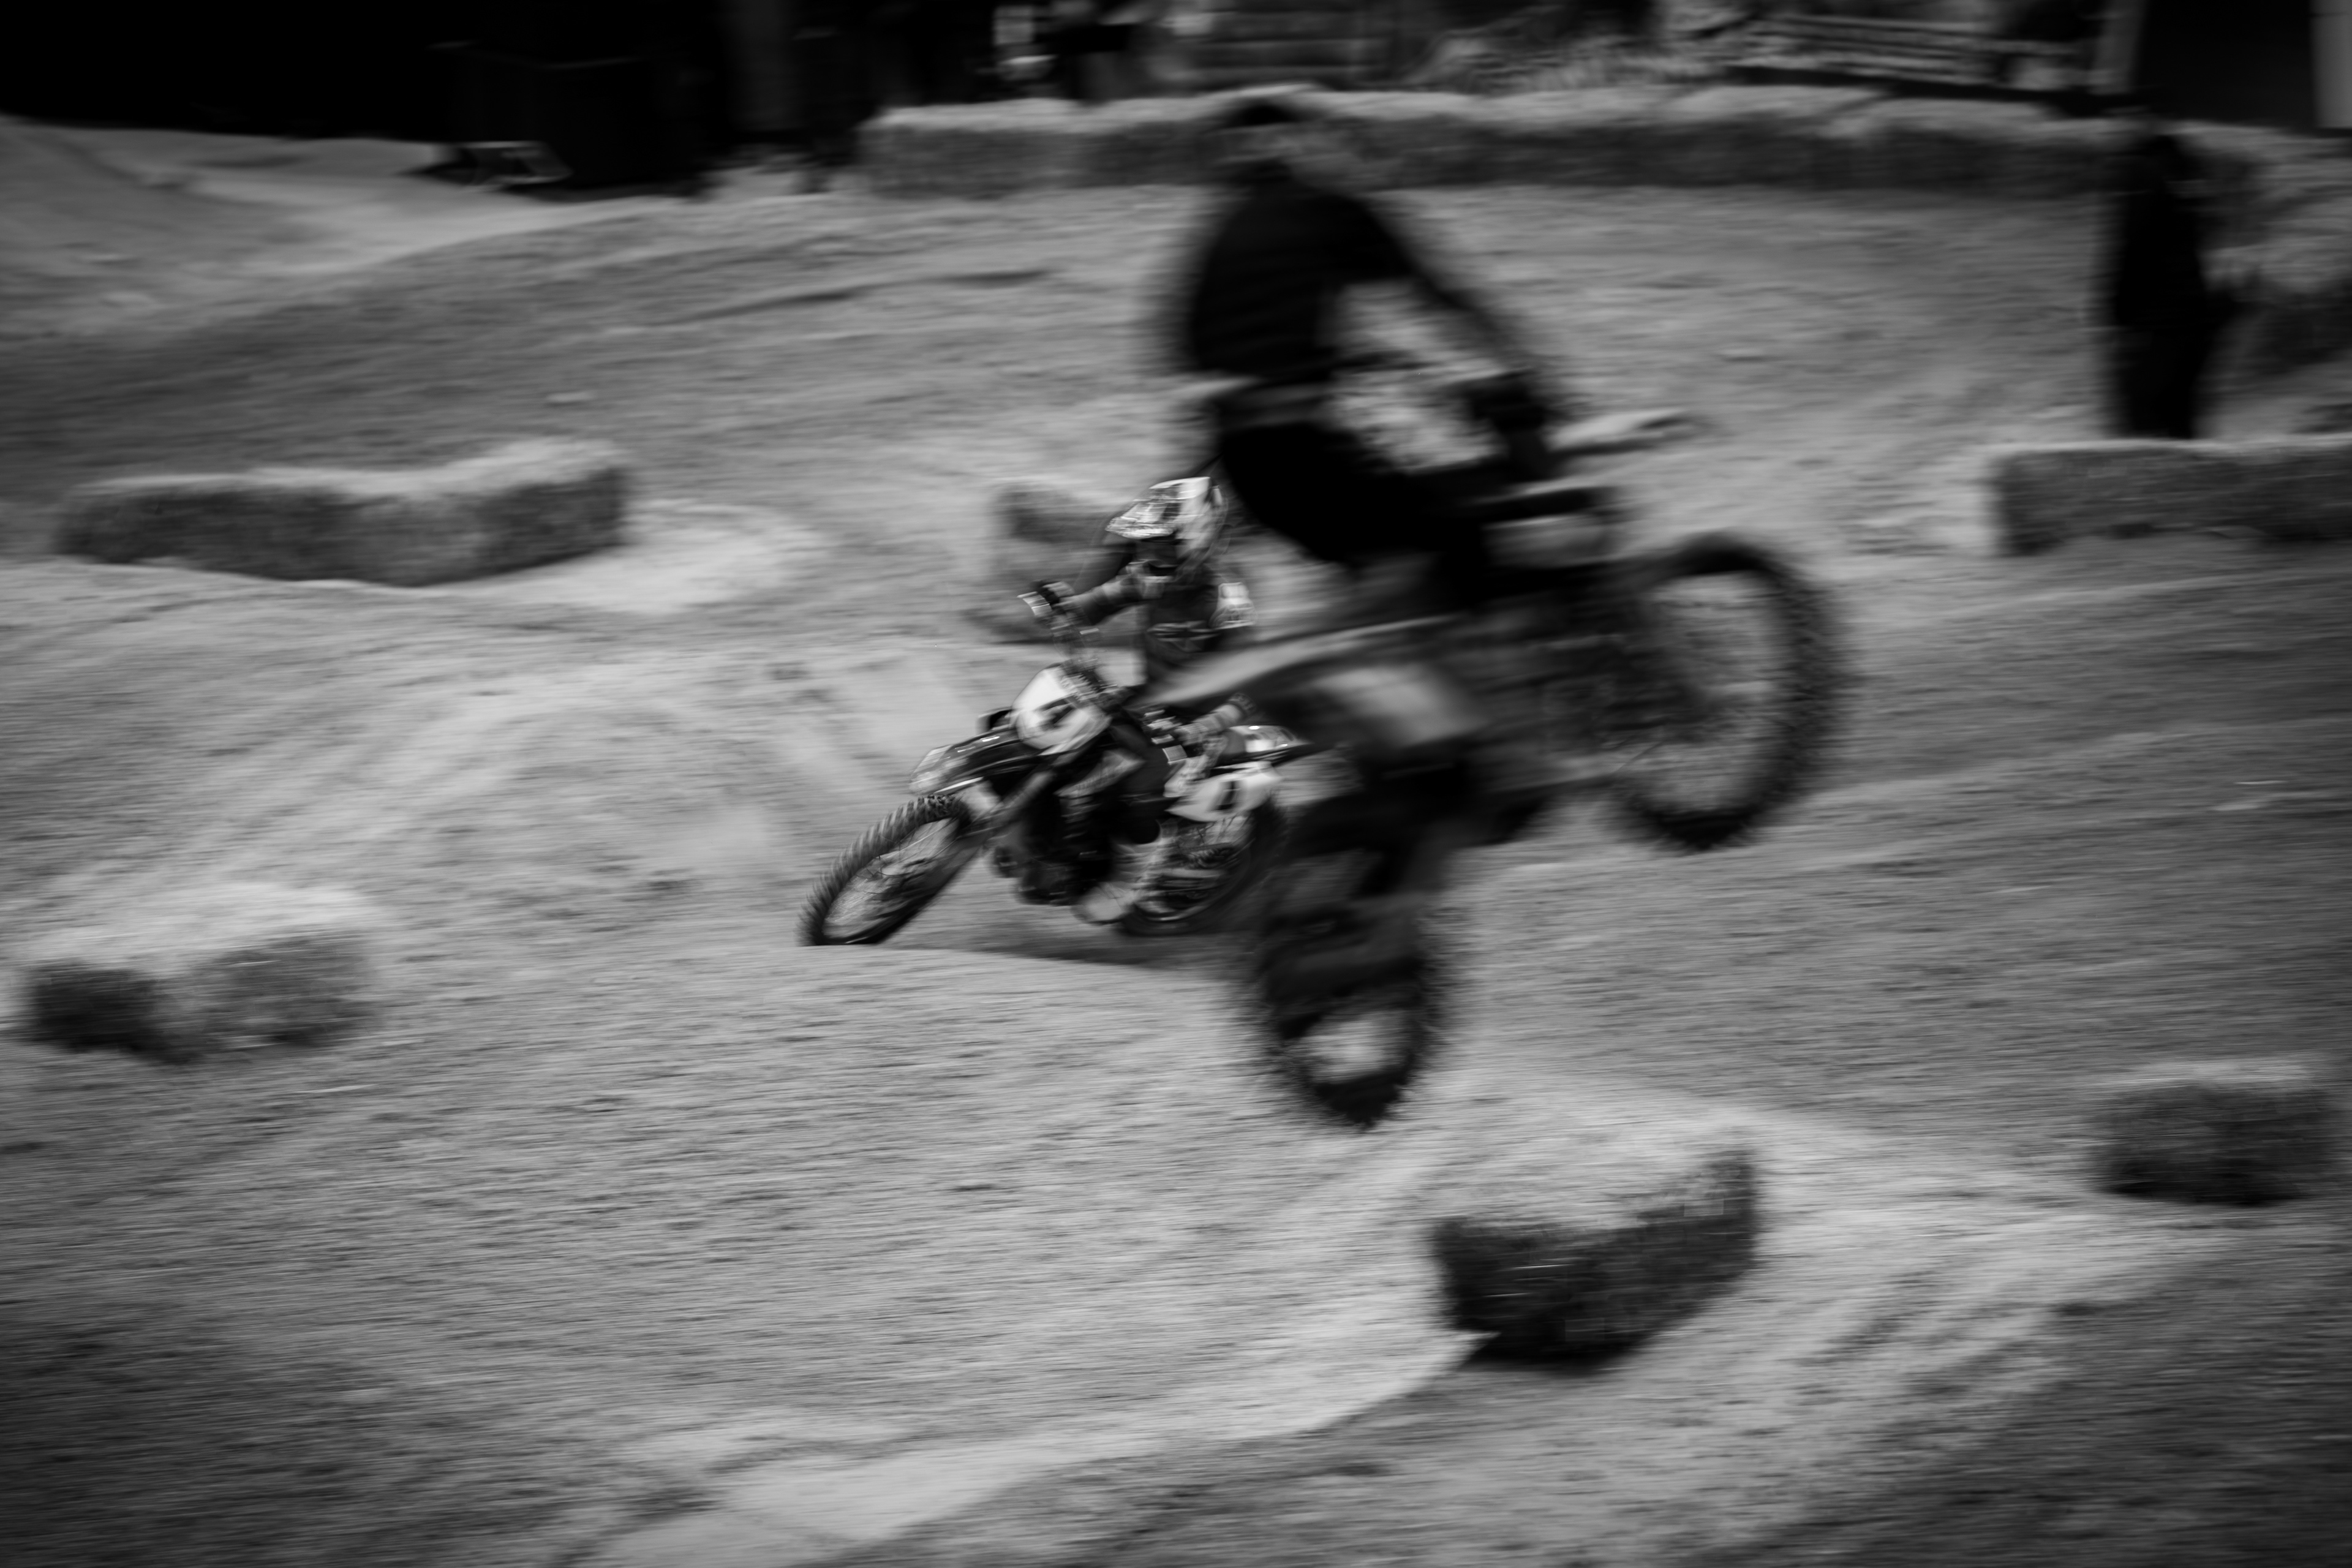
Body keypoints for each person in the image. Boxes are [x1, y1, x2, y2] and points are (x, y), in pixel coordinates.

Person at [1174, 93, 1566, 617]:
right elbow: (1442, 298)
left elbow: (1202, 353)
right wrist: (1527, 374)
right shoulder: (1329, 208)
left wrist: (1350, 365)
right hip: (1304, 459)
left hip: (1249, 468)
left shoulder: (1221, 234)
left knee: (1387, 545)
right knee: (1456, 547)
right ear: (1301, 146)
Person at [1026, 475, 1256, 922]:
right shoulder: (1148, 579)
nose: (1150, 555)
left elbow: (1255, 688)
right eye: (1145, 543)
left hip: (1201, 724)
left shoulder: (1226, 604)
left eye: (1164, 544)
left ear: (1199, 540)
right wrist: (1062, 608)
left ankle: (1130, 878)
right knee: (1065, 744)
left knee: (1135, 793)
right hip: (1147, 702)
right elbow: (1092, 607)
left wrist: (1202, 728)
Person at [2100, 108, 2239, 440]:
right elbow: (2215, 230)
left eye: (2122, 120)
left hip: (2153, 323)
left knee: (2142, 431)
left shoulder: (2141, 170)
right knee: (2182, 426)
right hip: (2195, 322)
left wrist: (2115, 312)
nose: (2115, 129)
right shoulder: (2189, 166)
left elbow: (2133, 246)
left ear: (2142, 122)